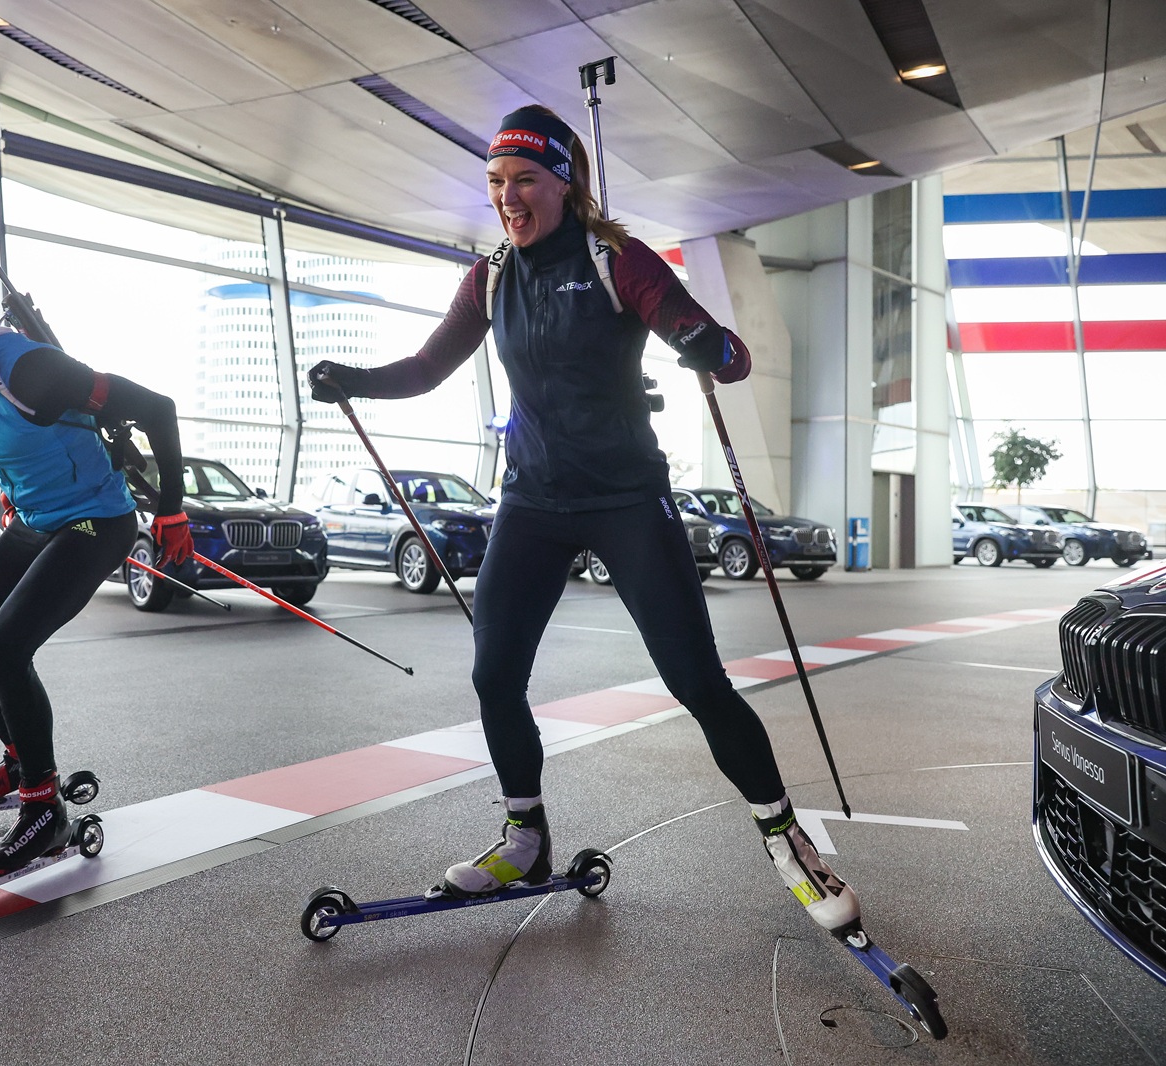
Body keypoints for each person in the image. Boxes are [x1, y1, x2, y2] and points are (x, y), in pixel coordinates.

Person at [307, 105, 858, 934]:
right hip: (532, 502)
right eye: (497, 182)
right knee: (495, 674)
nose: (509, 198)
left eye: (525, 180)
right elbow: (426, 369)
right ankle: (524, 835)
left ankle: (788, 844)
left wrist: (707, 346)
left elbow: (724, 351)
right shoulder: (491, 274)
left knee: (696, 682)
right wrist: (353, 377)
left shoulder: (614, 260)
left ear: (566, 182)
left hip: (626, 501)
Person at [0, 251, 193, 880]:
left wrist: (173, 514)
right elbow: (10, 446)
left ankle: (44, 812)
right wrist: (12, 494)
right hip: (33, 522)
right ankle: (22, 761)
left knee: (2, 651)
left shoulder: (24, 367)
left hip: (94, 523)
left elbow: (157, 407)